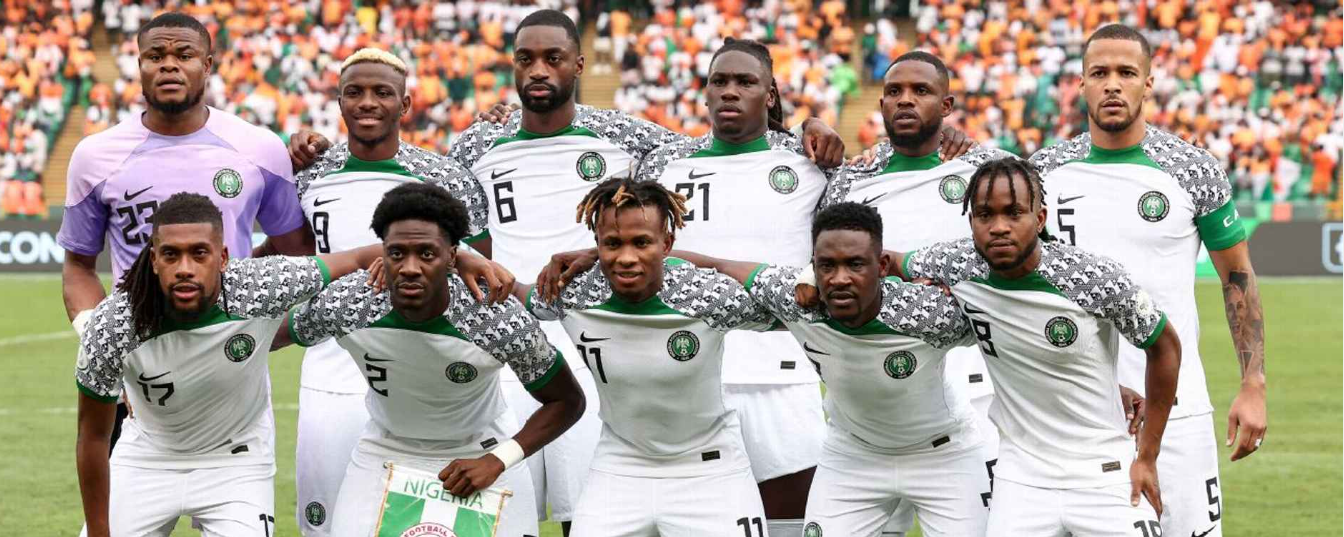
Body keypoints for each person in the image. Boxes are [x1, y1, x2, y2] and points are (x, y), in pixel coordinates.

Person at [1030, 25, 1267, 537]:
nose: (1113, 84)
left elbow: (1238, 279)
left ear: (1148, 82)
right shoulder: (1043, 173)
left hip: (1179, 411)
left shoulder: (1191, 169)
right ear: (1081, 83)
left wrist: (1253, 384)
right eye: (1099, 73)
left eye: (1126, 73)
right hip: (1075, 414)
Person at [638, 202, 994, 537]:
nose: (840, 279)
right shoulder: (794, 299)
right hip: (853, 456)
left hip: (942, 455)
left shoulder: (927, 312)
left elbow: (998, 304)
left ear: (882, 265)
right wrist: (626, 260)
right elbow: (717, 266)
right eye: (827, 266)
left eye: (855, 264)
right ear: (812, 266)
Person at [58, 12, 313, 451]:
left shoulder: (259, 148)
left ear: (207, 64)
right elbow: (79, 266)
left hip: (230, 371)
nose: (169, 65)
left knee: (235, 492)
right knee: (120, 495)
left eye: (184, 54)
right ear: (139, 65)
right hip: (136, 368)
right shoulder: (94, 156)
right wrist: (102, 342)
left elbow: (297, 252)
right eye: (155, 56)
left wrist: (242, 296)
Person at [277, 182, 586, 537]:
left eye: (427, 254)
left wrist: (498, 460)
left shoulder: (494, 315)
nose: (410, 268)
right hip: (385, 450)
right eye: (397, 253)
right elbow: (265, 340)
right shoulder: (349, 303)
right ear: (382, 254)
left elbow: (567, 401)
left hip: (481, 451)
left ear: (452, 257)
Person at [894, 158, 1182, 537]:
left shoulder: (1091, 277)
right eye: (985, 215)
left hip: (1103, 471)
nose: (999, 227)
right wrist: (819, 280)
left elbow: (1165, 346)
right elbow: (885, 261)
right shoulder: (957, 264)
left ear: (1040, 218)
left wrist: (1147, 457)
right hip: (1021, 479)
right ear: (971, 221)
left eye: (1014, 213)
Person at [73, 192, 381, 537]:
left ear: (222, 258)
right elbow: (93, 437)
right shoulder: (114, 324)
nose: (185, 268)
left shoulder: (261, 286)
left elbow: (360, 257)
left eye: (199, 253)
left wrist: (432, 263)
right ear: (155, 259)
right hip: (147, 456)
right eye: (171, 255)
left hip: (237, 459)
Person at [627, 38, 840, 534]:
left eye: (745, 81)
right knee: (696, 520)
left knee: (789, 521)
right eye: (719, 81)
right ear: (704, 92)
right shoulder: (664, 163)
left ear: (770, 94)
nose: (730, 91)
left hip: (782, 373)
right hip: (686, 372)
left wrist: (811, 125)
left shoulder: (810, 162)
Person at [286, 47, 494, 536]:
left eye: (382, 92)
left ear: (405, 104)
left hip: (419, 369)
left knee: (426, 522)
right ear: (339, 102)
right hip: (331, 366)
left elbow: (479, 273)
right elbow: (291, 257)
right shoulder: (308, 173)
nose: (367, 102)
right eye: (354, 92)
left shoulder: (446, 177)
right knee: (326, 519)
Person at [817, 50, 1013, 536]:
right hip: (872, 400)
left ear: (946, 105)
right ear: (881, 103)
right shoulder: (853, 179)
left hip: (977, 389)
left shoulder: (988, 171)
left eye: (921, 91)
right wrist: (808, 123)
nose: (906, 100)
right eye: (895, 92)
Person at [523, 177, 779, 536]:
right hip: (619, 466)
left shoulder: (706, 295)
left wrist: (717, 264)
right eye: (612, 244)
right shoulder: (572, 292)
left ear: (667, 243)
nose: (627, 258)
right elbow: (505, 293)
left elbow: (800, 308)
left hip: (710, 468)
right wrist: (470, 261)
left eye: (642, 242)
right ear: (597, 244)